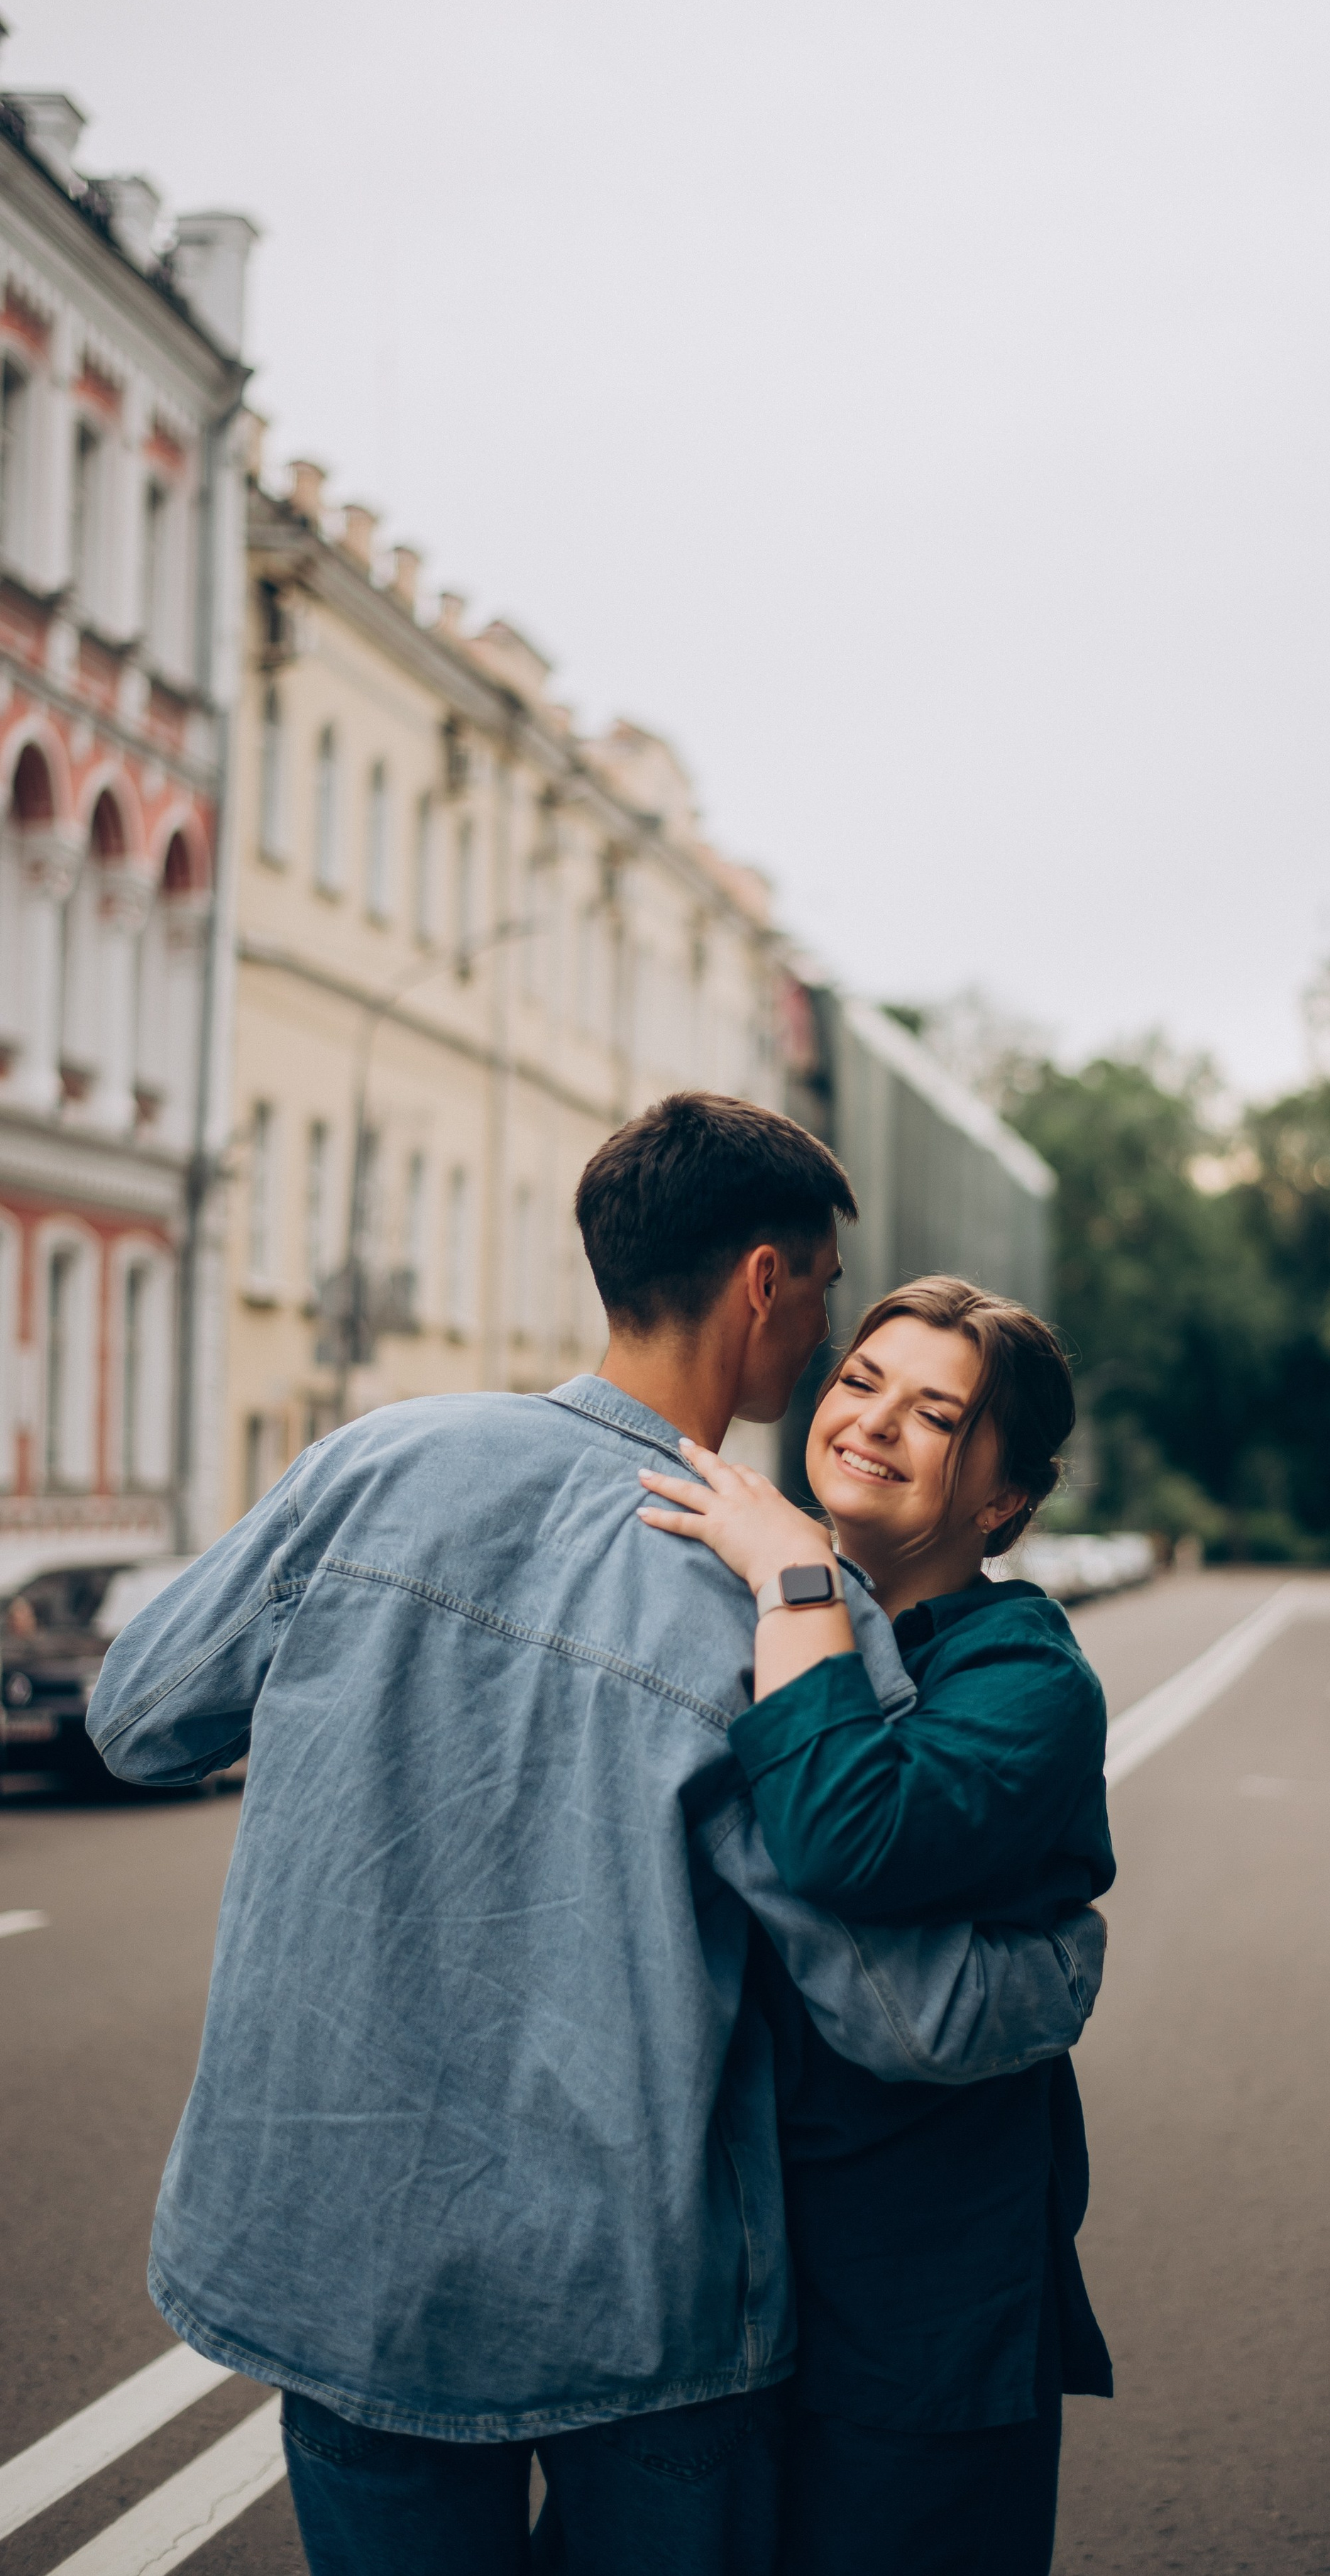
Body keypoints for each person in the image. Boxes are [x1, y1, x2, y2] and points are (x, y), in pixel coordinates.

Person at [87, 1099, 1105, 2576]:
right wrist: (1061, 1960)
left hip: (328, 2261)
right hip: (632, 2306)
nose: (826, 1346)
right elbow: (900, 2010)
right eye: (826, 1297)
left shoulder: (376, 1460)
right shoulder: (783, 1616)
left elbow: (138, 1716)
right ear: (764, 1280)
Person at [637, 1274, 1115, 2576]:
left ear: (1005, 1500)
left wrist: (797, 1579)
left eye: (938, 1417)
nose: (876, 1424)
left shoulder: (1024, 1676)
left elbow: (853, 1836)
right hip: (718, 2265)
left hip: (920, 2299)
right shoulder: (728, 1592)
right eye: (861, 1383)